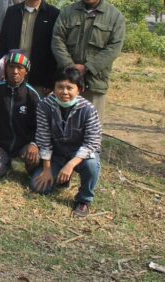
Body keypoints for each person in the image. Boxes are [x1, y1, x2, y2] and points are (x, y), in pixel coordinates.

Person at [51, 0, 125, 119]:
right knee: (63, 125)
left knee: (91, 127)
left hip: (95, 82)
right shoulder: (68, 12)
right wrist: (71, 67)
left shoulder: (114, 16)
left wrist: (86, 68)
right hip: (67, 81)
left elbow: (113, 48)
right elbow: (57, 39)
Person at [30, 66, 102, 217]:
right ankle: (62, 180)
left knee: (92, 164)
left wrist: (70, 164)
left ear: (79, 89)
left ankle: (84, 200)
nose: (64, 92)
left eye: (70, 88)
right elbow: (43, 138)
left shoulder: (88, 109)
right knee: (38, 186)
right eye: (60, 87)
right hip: (57, 154)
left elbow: (92, 143)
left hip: (79, 155)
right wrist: (47, 169)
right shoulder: (44, 105)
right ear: (54, 88)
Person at [0, 0, 60, 96]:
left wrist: (50, 80)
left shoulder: (54, 14)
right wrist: (2, 71)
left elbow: (55, 50)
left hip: (39, 77)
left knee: (37, 113)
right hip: (13, 74)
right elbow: (3, 43)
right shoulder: (12, 12)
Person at [0, 50, 40, 179]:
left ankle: (23, 165)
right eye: (11, 67)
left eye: (20, 68)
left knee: (35, 161)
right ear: (6, 69)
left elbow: (40, 125)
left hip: (24, 145)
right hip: (1, 145)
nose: (15, 71)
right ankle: (6, 161)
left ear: (26, 71)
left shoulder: (32, 95)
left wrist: (34, 144)